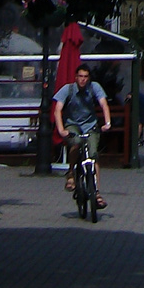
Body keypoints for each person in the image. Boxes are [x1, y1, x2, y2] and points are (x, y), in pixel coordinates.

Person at [53, 64, 112, 209]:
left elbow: (104, 104)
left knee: (93, 155)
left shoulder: (94, 87)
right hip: (72, 124)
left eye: (86, 77)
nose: (83, 80)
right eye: (80, 76)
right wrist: (61, 130)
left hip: (90, 125)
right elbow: (57, 109)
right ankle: (71, 173)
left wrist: (107, 123)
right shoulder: (68, 89)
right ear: (76, 77)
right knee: (76, 142)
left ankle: (96, 192)